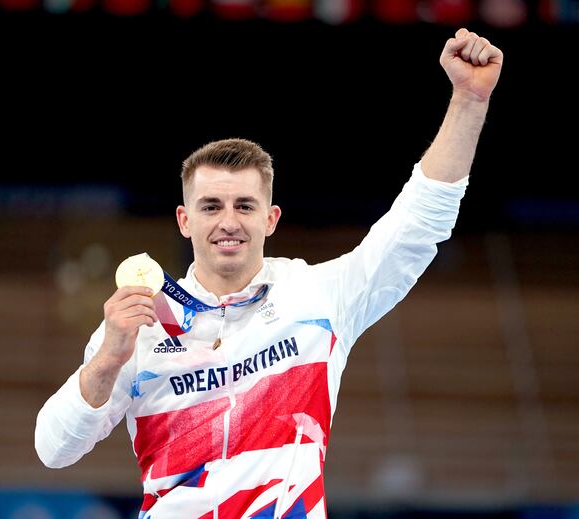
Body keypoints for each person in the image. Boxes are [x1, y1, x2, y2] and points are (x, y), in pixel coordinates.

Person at [35, 28, 503, 519]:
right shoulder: (140, 323)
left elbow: (416, 225)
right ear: (185, 219)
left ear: (270, 218)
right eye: (211, 206)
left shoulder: (318, 296)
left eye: (245, 205)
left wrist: (469, 101)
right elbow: (54, 449)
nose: (229, 222)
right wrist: (109, 358)